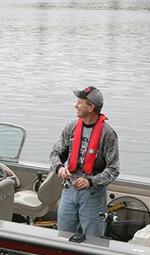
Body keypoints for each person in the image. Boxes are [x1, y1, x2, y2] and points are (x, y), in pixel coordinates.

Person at [50, 86, 120, 237]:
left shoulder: (108, 134)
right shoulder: (71, 127)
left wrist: (91, 181)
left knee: (94, 241)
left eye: (79, 102)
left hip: (93, 195)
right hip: (69, 190)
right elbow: (55, 154)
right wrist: (60, 168)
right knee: (63, 237)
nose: (75, 105)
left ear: (91, 107)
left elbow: (113, 170)